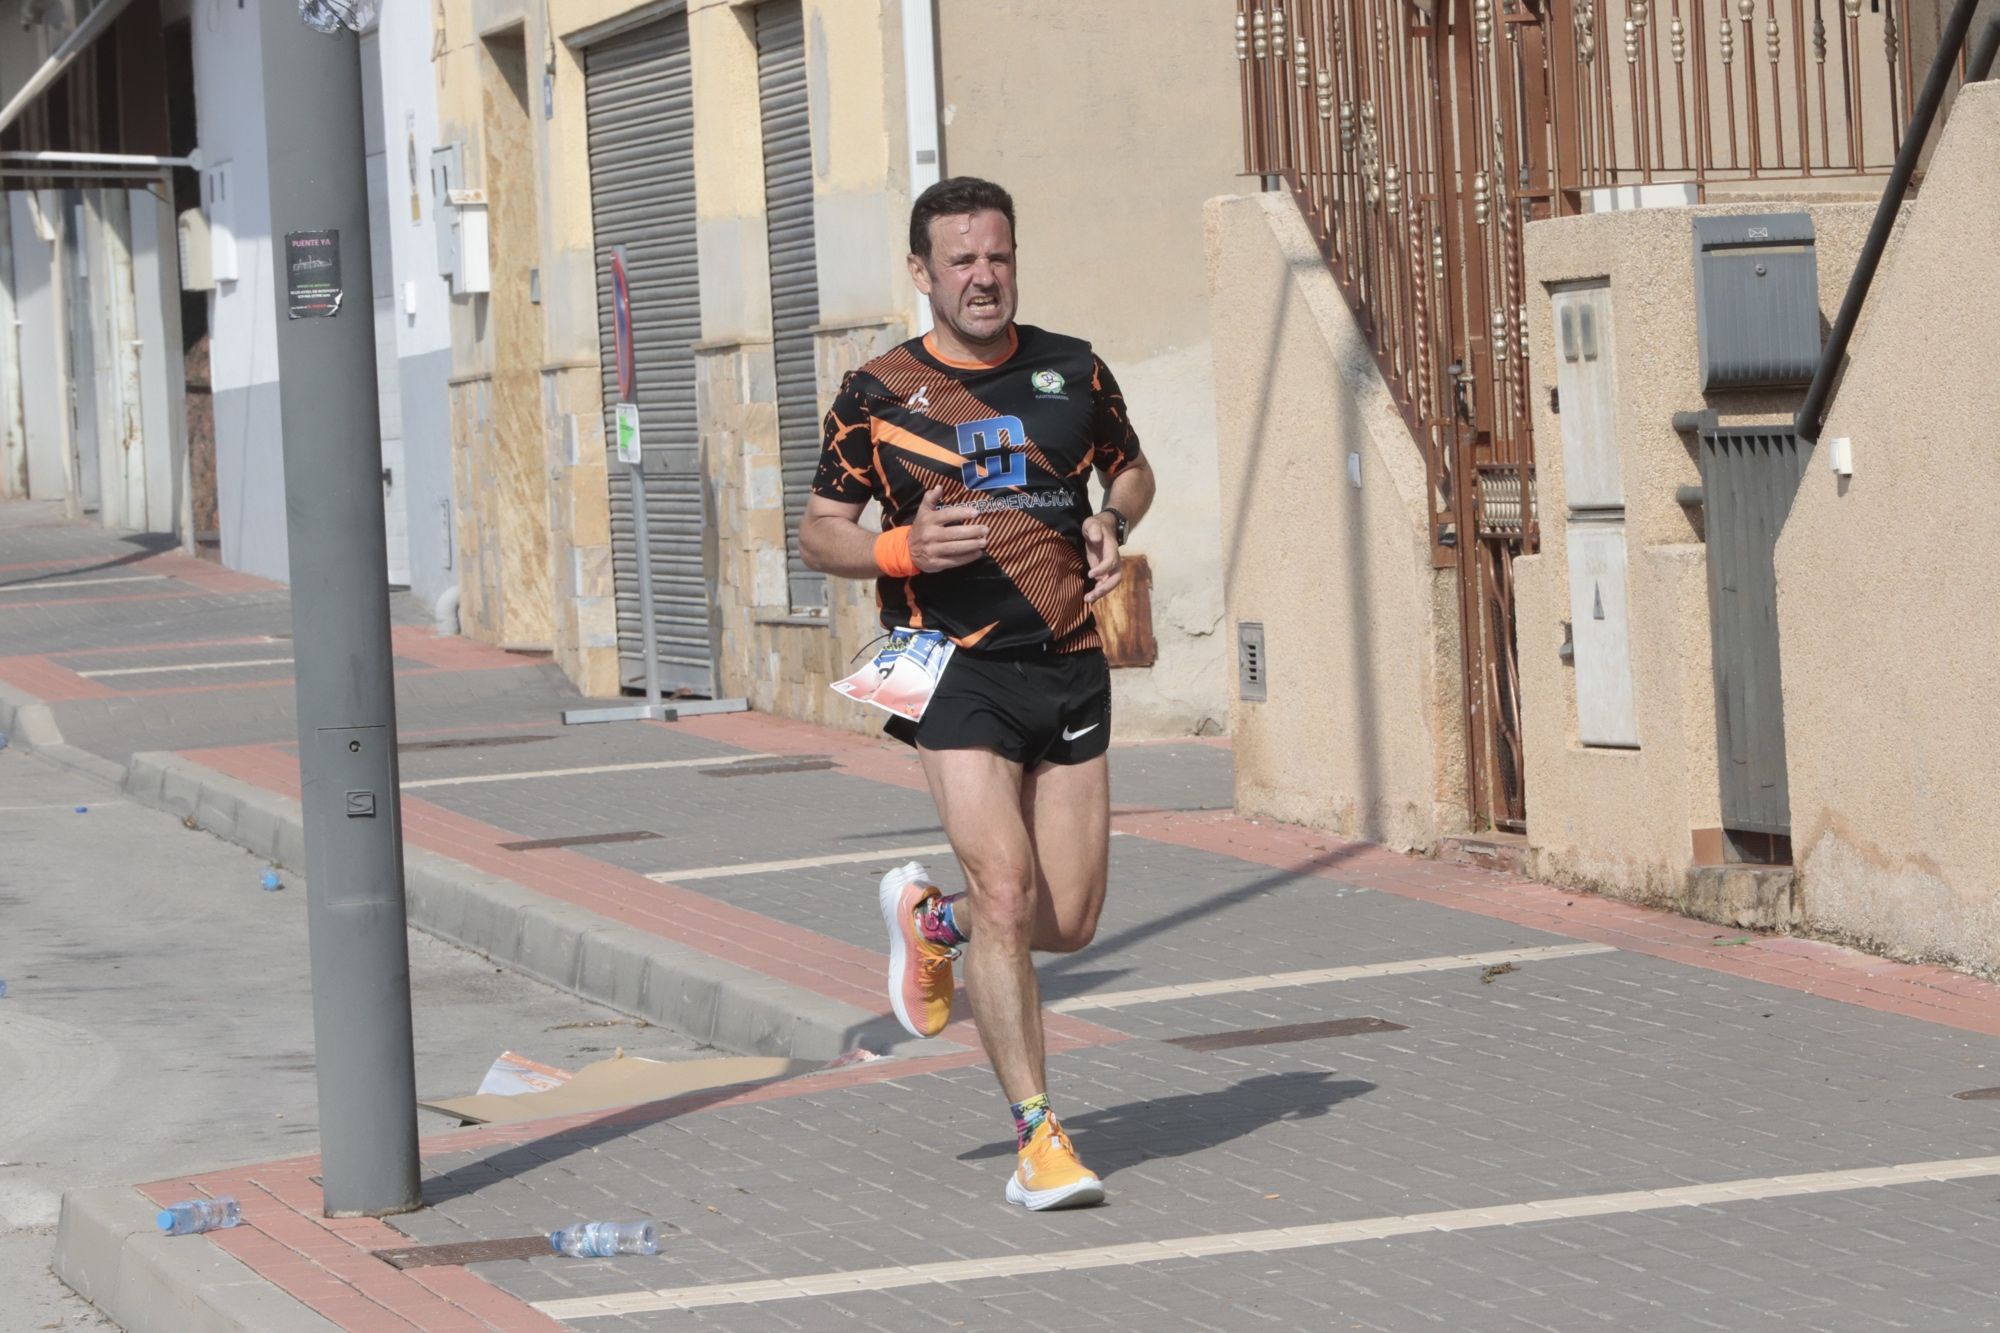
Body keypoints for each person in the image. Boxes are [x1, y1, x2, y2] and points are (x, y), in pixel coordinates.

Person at [799, 176, 1156, 1212]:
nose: (982, 276)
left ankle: (932, 926)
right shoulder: (876, 393)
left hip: (1065, 658)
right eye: (959, 260)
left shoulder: (1071, 369)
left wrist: (1109, 523)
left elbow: (1129, 473)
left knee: (1068, 918)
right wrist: (899, 544)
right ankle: (1038, 1138)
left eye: (995, 255)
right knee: (1006, 888)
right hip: (945, 666)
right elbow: (819, 532)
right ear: (922, 272)